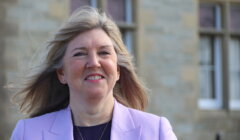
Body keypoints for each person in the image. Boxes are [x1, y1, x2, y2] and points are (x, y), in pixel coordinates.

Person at [10, 6, 177, 140]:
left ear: (118, 70)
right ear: (62, 73)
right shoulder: (28, 134)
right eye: (80, 54)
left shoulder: (156, 132)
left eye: (104, 52)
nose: (94, 63)